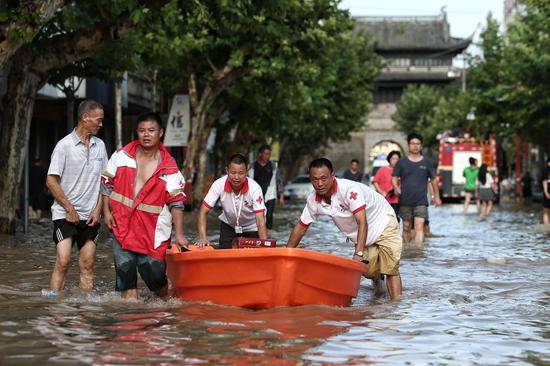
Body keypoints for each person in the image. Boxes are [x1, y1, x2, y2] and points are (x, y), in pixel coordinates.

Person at [287, 158, 403, 300]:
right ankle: (379, 291)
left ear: (333, 175)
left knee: (390, 268)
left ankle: (397, 307)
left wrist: (358, 254)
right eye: (315, 180)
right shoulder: (313, 199)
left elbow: (362, 222)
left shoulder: (349, 191)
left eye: (324, 178)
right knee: (369, 270)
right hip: (361, 233)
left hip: (383, 222)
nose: (320, 184)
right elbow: (300, 228)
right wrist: (286, 254)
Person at [101, 112, 188, 299]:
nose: (146, 135)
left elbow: (177, 203)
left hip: (153, 232)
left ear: (161, 133)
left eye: (151, 130)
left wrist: (179, 235)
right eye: (141, 130)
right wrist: (105, 211)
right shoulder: (121, 156)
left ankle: (164, 312)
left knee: (156, 279)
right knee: (126, 277)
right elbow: (106, 183)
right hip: (122, 225)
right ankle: (128, 322)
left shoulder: (169, 167)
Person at [45, 100, 107, 295]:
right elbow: (51, 181)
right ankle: (54, 306)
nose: (101, 124)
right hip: (65, 214)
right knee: (63, 261)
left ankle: (83, 312)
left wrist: (98, 210)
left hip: (91, 215)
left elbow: (105, 181)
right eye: (98, 120)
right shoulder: (64, 146)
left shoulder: (100, 146)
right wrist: (69, 208)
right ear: (85, 118)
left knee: (87, 264)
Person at [198, 153, 267, 249]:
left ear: (246, 172)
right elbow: (203, 211)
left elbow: (260, 220)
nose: (236, 177)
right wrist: (202, 238)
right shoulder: (218, 185)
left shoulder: (255, 188)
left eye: (241, 173)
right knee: (223, 256)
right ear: (227, 171)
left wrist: (265, 245)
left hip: (253, 227)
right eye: (233, 173)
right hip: (229, 225)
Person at [391, 133, 441, 247]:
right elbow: (394, 178)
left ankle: (418, 252)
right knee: (407, 227)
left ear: (421, 146)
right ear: (408, 146)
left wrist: (437, 197)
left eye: (418, 144)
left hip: (421, 201)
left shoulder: (427, 162)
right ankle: (407, 250)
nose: (415, 146)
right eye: (413, 143)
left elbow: (433, 180)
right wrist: (396, 187)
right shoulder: (402, 162)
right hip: (405, 200)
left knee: (419, 227)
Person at [248, 145, 284, 229]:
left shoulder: (273, 166)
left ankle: (269, 234)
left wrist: (281, 196)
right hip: (256, 194)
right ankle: (257, 232)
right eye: (266, 154)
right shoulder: (252, 166)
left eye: (269, 154)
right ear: (260, 154)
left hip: (270, 194)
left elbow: (279, 181)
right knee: (257, 215)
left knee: (269, 216)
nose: (268, 156)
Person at [373, 150, 401, 220]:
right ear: (389, 159)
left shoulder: (401, 171)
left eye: (397, 159)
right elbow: (375, 182)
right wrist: (381, 192)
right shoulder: (382, 170)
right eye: (393, 158)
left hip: (396, 201)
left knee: (395, 220)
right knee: (384, 220)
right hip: (384, 200)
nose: (395, 161)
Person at [543, 158, 550, 225]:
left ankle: (547, 225)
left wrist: (546, 192)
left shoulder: (546, 170)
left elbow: (544, 181)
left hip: (548, 191)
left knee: (546, 211)